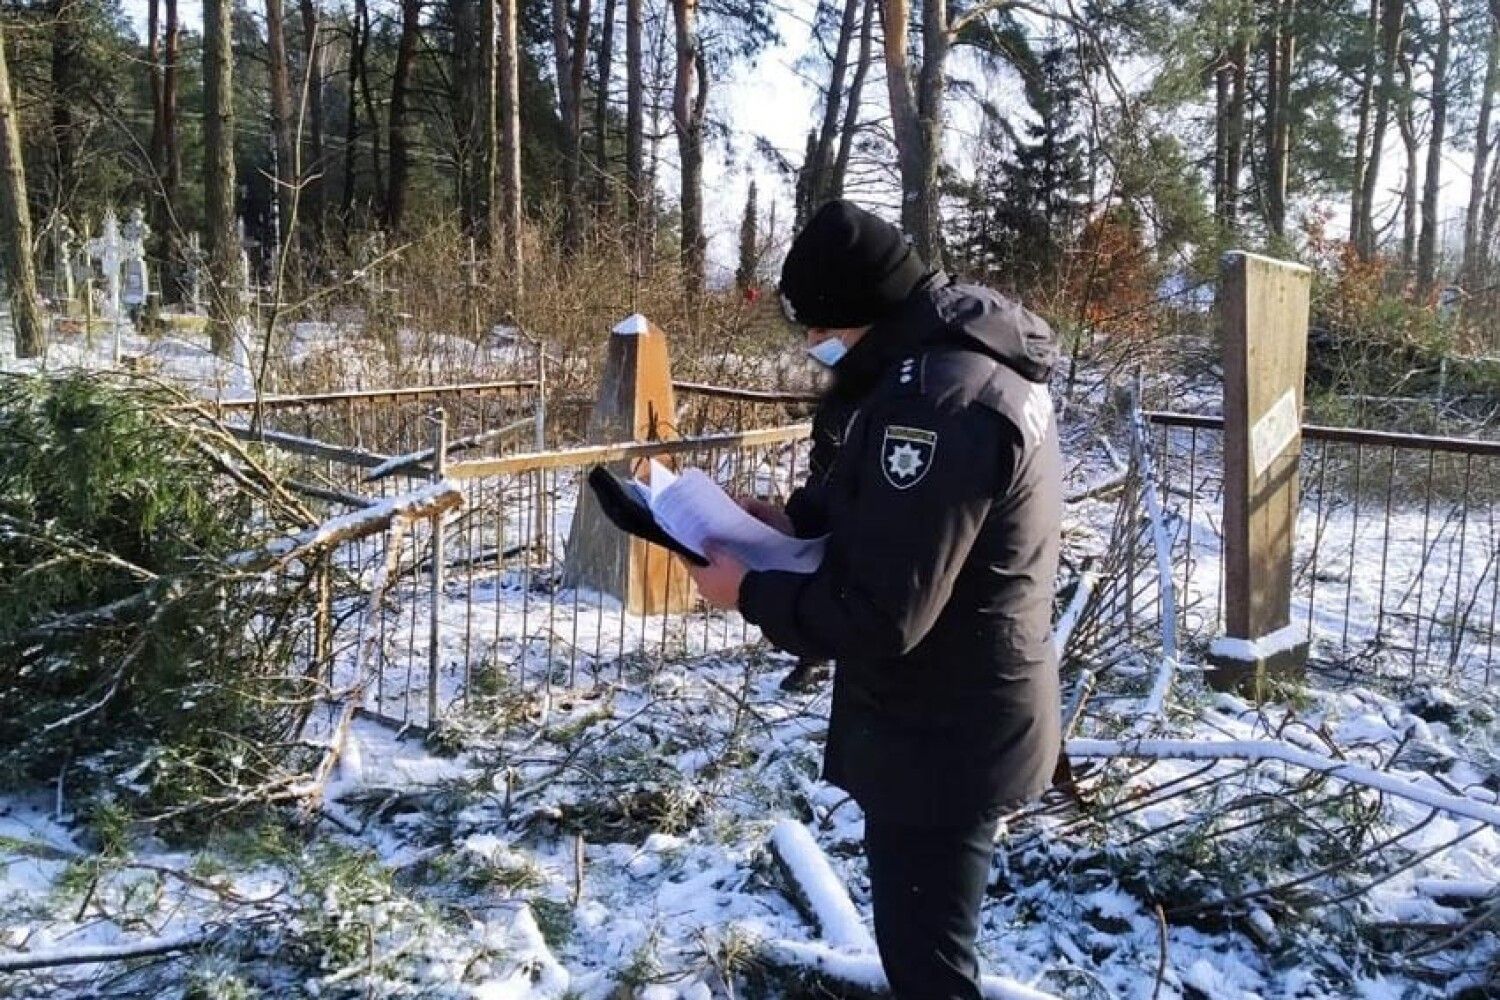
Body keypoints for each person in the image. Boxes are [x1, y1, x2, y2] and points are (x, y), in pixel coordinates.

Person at [687, 200, 1062, 999]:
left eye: (823, 328)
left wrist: (748, 591)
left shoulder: (939, 405)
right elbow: (893, 521)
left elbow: (885, 612)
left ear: (864, 313)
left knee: (929, 971)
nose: (815, 347)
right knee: (922, 953)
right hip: (941, 715)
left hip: (947, 733)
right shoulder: (932, 371)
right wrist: (793, 521)